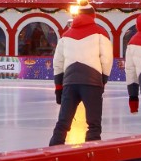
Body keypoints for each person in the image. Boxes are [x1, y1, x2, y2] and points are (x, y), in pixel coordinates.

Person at [48, 8, 114, 146]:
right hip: (92, 81)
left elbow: (58, 63)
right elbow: (107, 58)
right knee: (93, 124)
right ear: (93, 16)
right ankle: (92, 152)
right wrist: (103, 79)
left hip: (70, 81)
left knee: (63, 122)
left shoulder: (65, 35)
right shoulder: (100, 33)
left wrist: (58, 87)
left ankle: (54, 149)